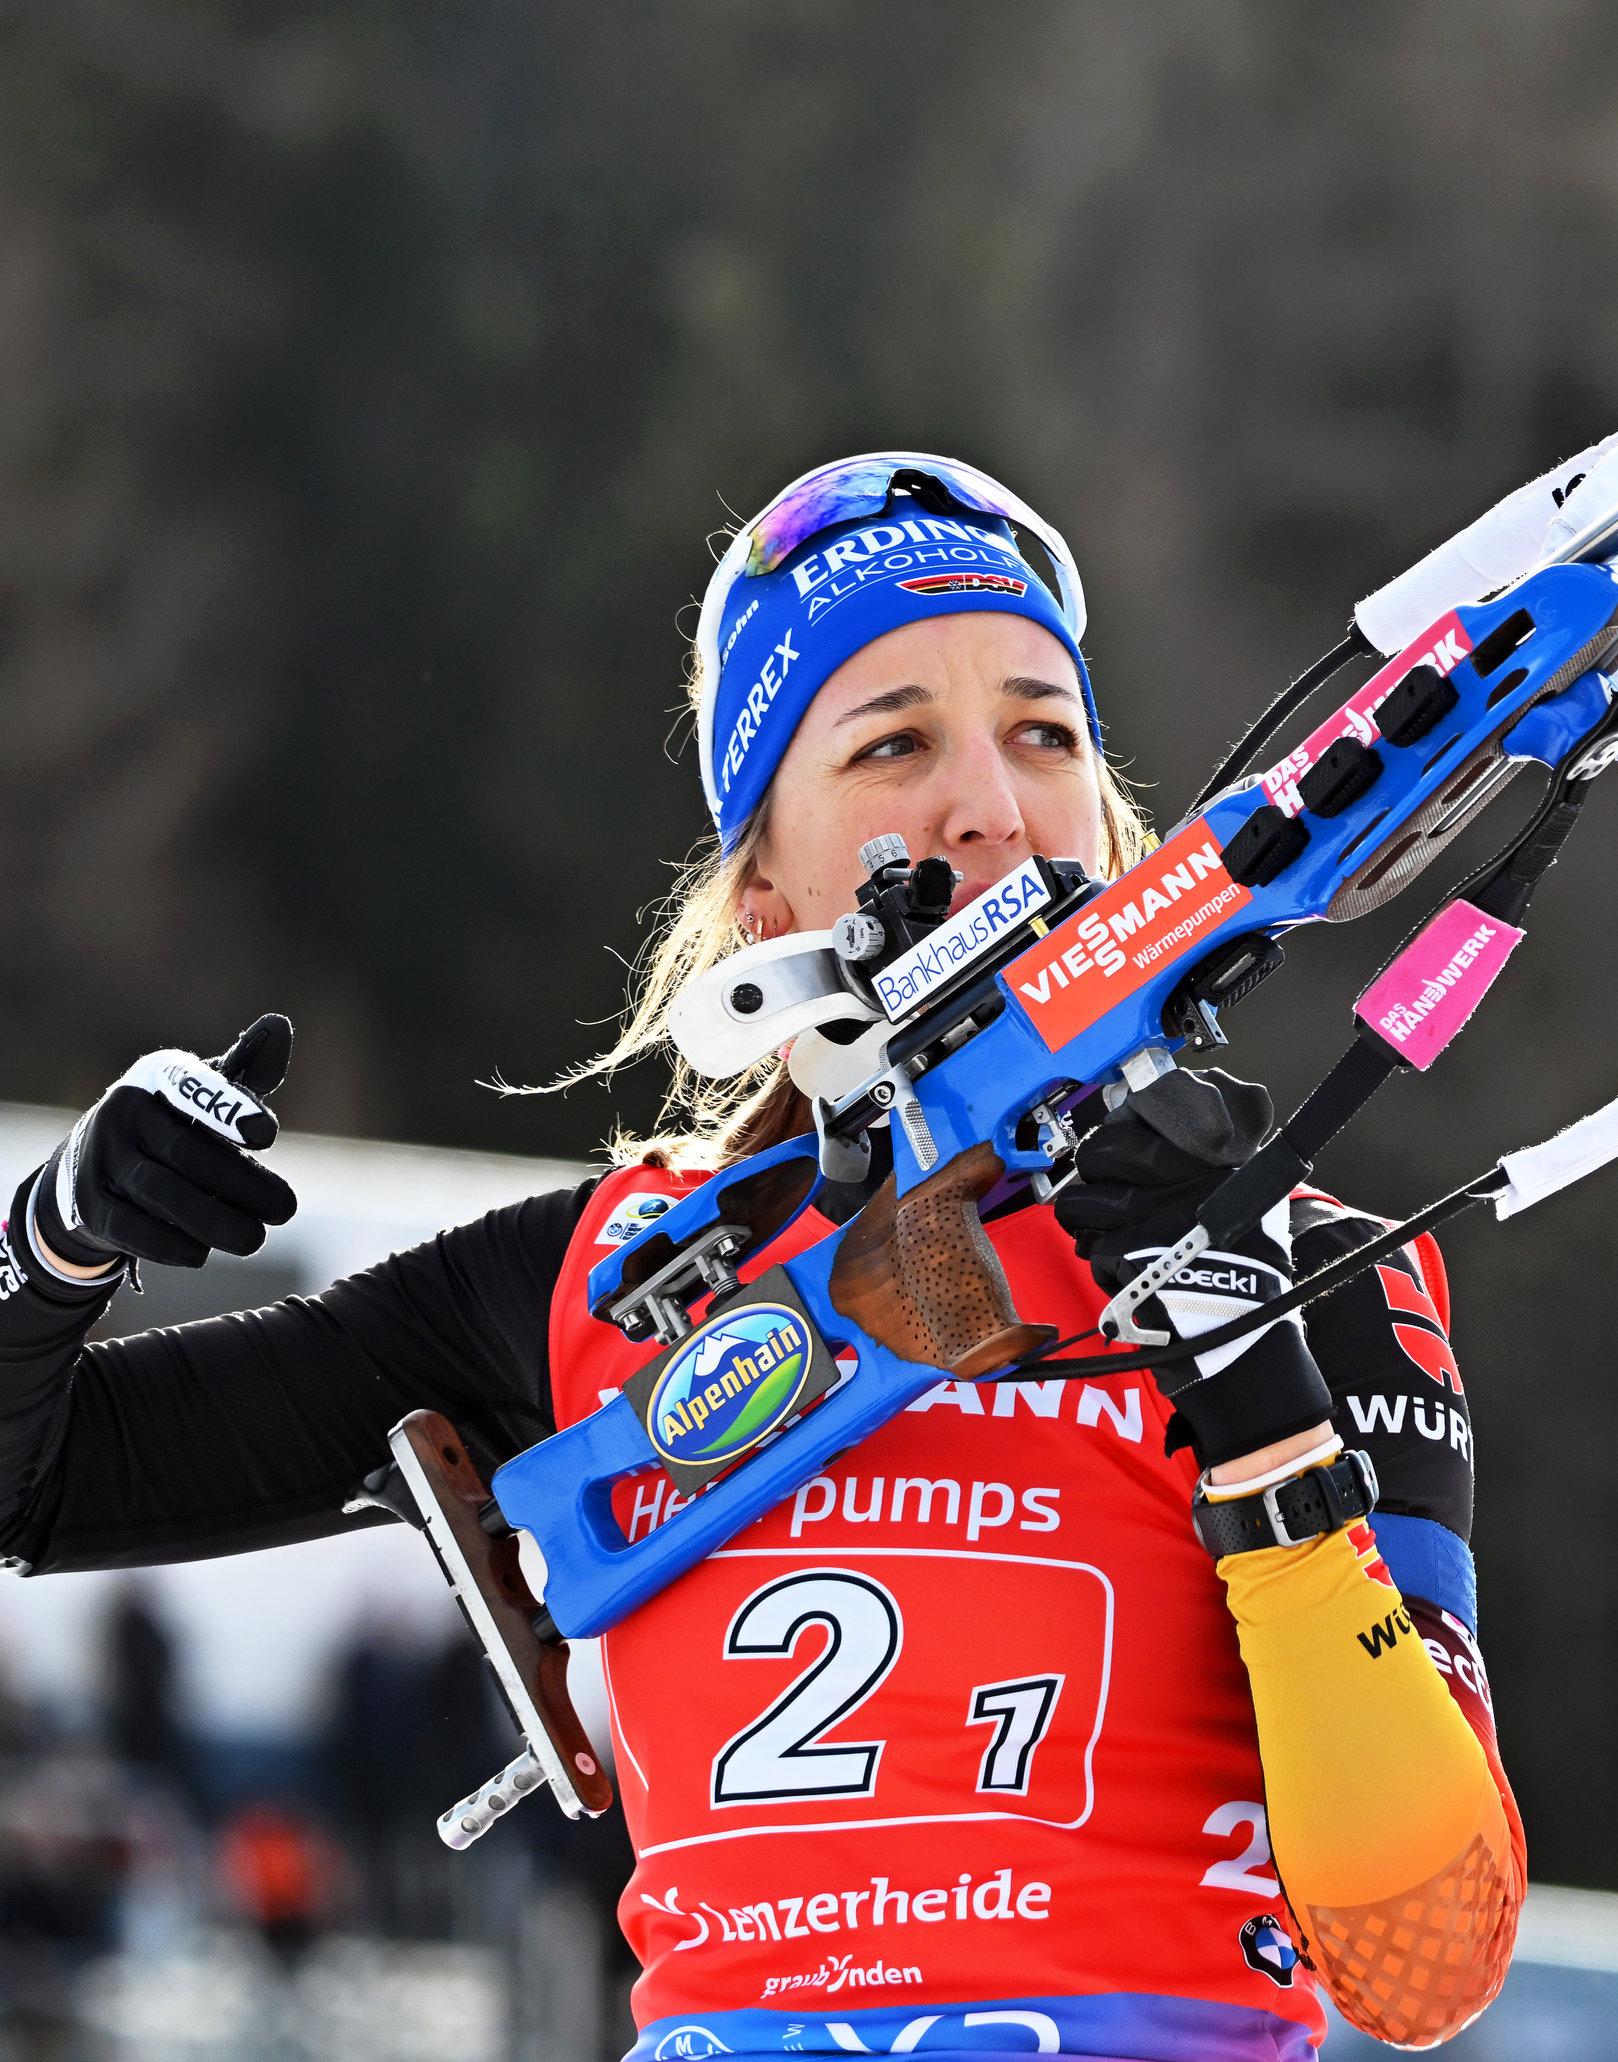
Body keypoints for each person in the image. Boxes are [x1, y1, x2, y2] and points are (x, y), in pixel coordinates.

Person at [0, 455, 1520, 2059]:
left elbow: (1427, 1958)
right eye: (894, 743)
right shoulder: (611, 1272)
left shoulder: (1311, 1264)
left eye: (1042, 734)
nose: (990, 805)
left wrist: (1255, 1393)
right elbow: (38, 1478)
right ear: (762, 892)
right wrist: (59, 1239)